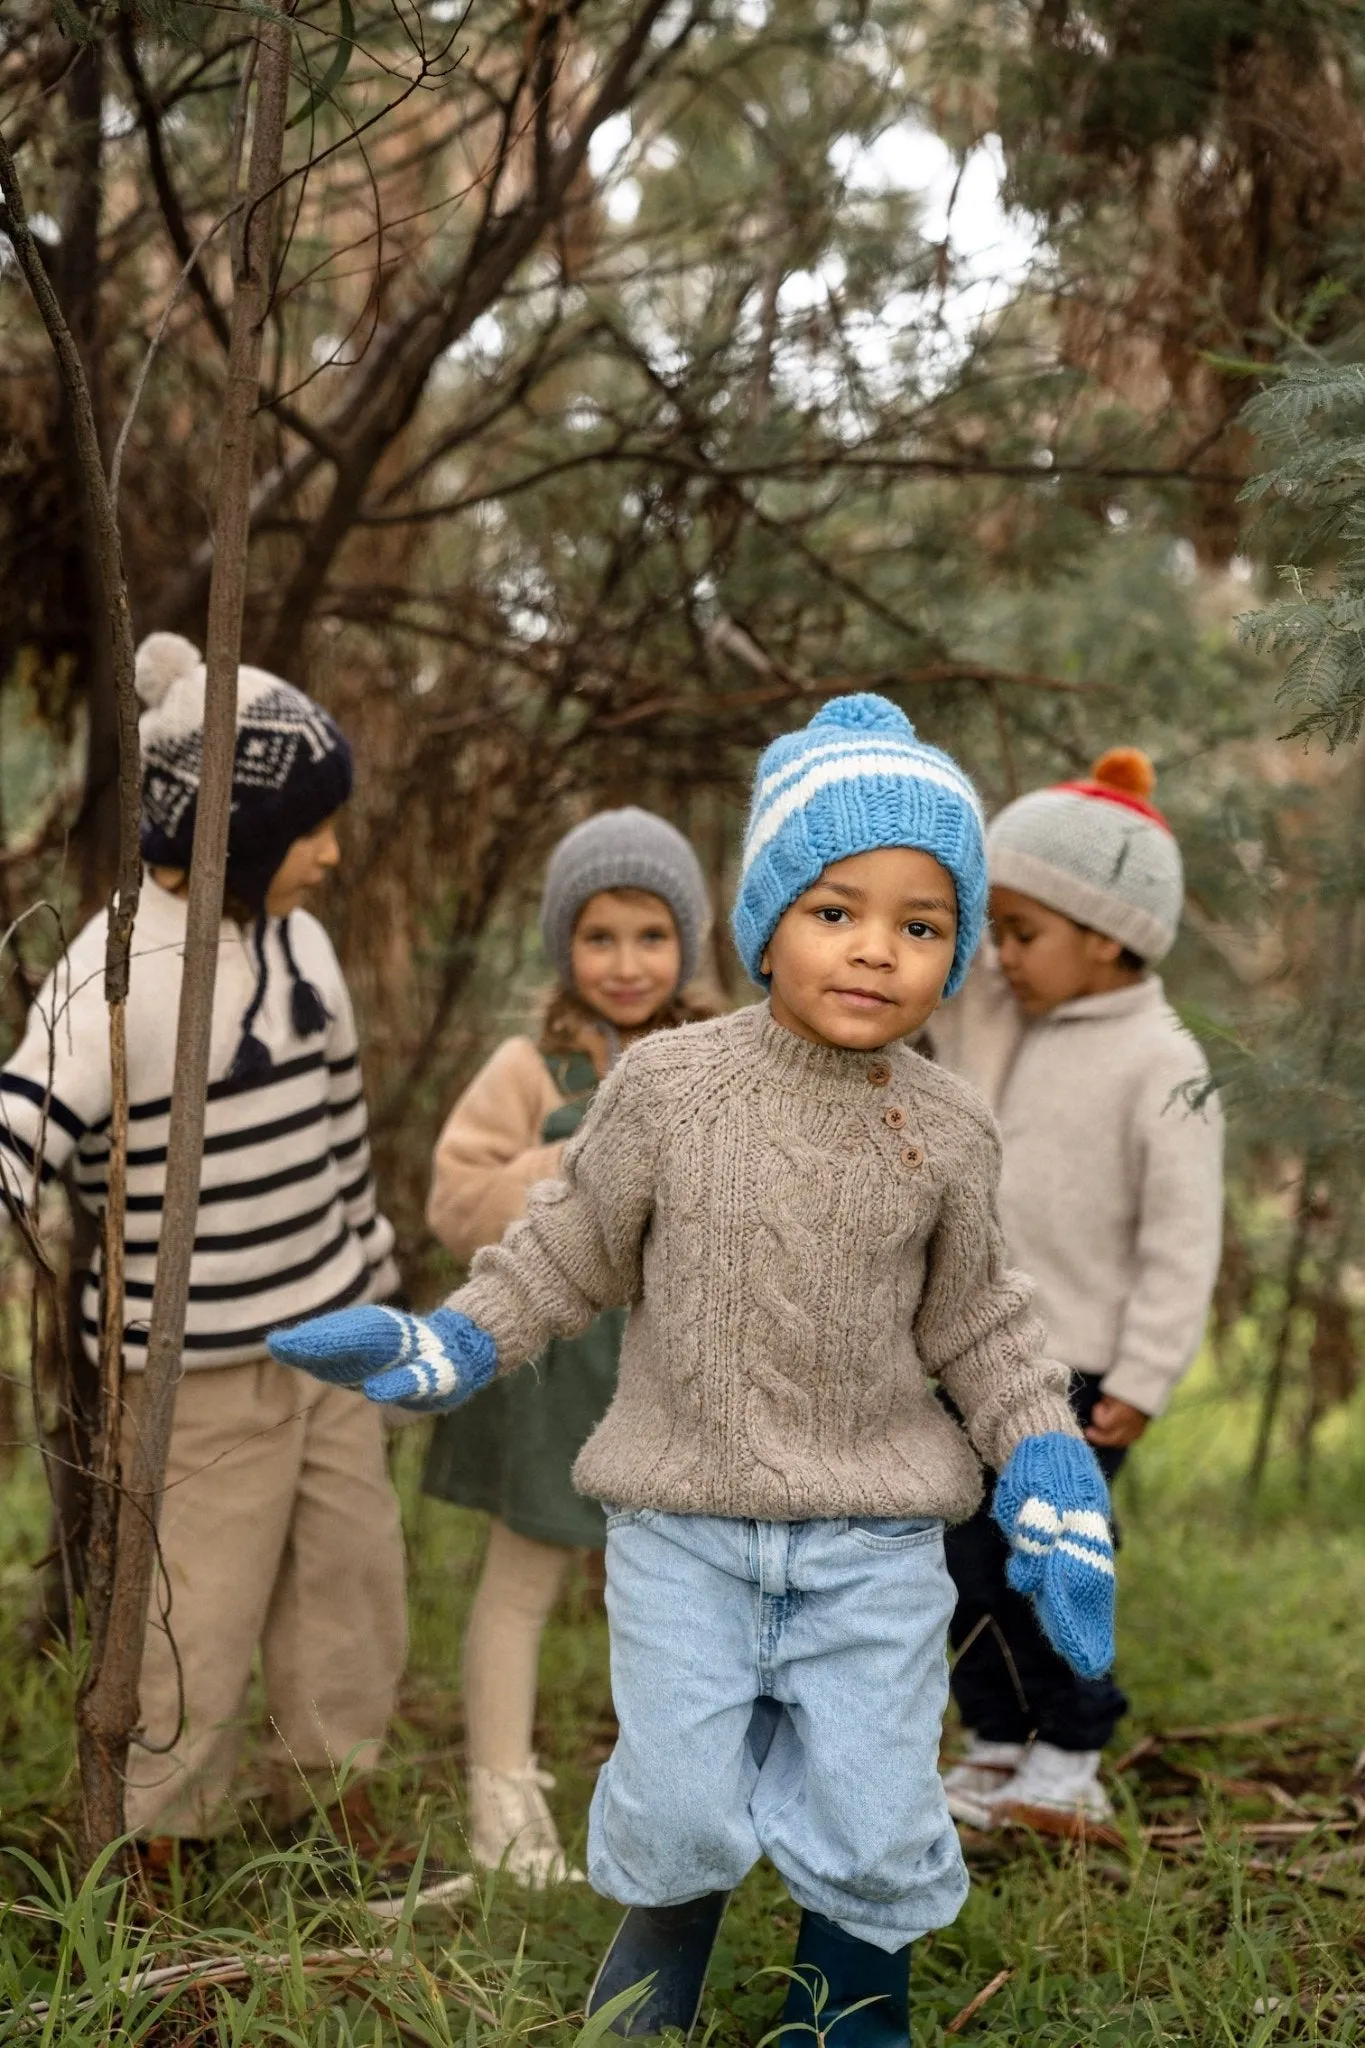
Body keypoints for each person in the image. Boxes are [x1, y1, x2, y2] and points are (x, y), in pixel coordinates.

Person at [270, 693, 1116, 2047]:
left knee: (873, 1793)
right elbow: (566, 1256)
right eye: (836, 909)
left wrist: (1048, 1456)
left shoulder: (949, 1130)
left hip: (874, 1538)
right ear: (766, 914)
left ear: (954, 950)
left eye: (922, 923)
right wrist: (453, 1343)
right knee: (674, 1796)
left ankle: (846, 2011)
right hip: (686, 1529)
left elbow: (983, 1324)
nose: (875, 951)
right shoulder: (666, 1090)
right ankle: (650, 1980)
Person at [0, 631, 433, 1898]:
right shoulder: (117, 972)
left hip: (335, 1340)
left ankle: (330, 1785)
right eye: (313, 828)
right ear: (236, 829)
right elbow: (24, 1111)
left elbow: (342, 1135)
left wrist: (383, 1293)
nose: (335, 852)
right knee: (199, 1602)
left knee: (350, 1583)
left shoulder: (302, 941)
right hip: (198, 1374)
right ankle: (160, 1836)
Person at [930, 747, 1224, 1836]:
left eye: (1024, 931)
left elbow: (1181, 1242)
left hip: (1084, 1371)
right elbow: (948, 991)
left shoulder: (1162, 1062)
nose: (1002, 954)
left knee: (1046, 1557)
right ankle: (998, 1739)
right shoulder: (1004, 1013)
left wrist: (1143, 1378)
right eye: (996, 929)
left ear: (1105, 932)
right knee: (967, 1562)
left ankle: (1073, 1748)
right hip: (972, 1357)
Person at [421, 808, 713, 1883]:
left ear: (689, 939)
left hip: (676, 1369)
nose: (627, 962)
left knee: (680, 1590)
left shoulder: (718, 1052)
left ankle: (675, 1800)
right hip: (551, 1363)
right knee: (521, 1580)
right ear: (564, 945)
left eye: (651, 934)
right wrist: (575, 1159)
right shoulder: (529, 1064)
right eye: (600, 936)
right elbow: (457, 1198)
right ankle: (502, 1808)